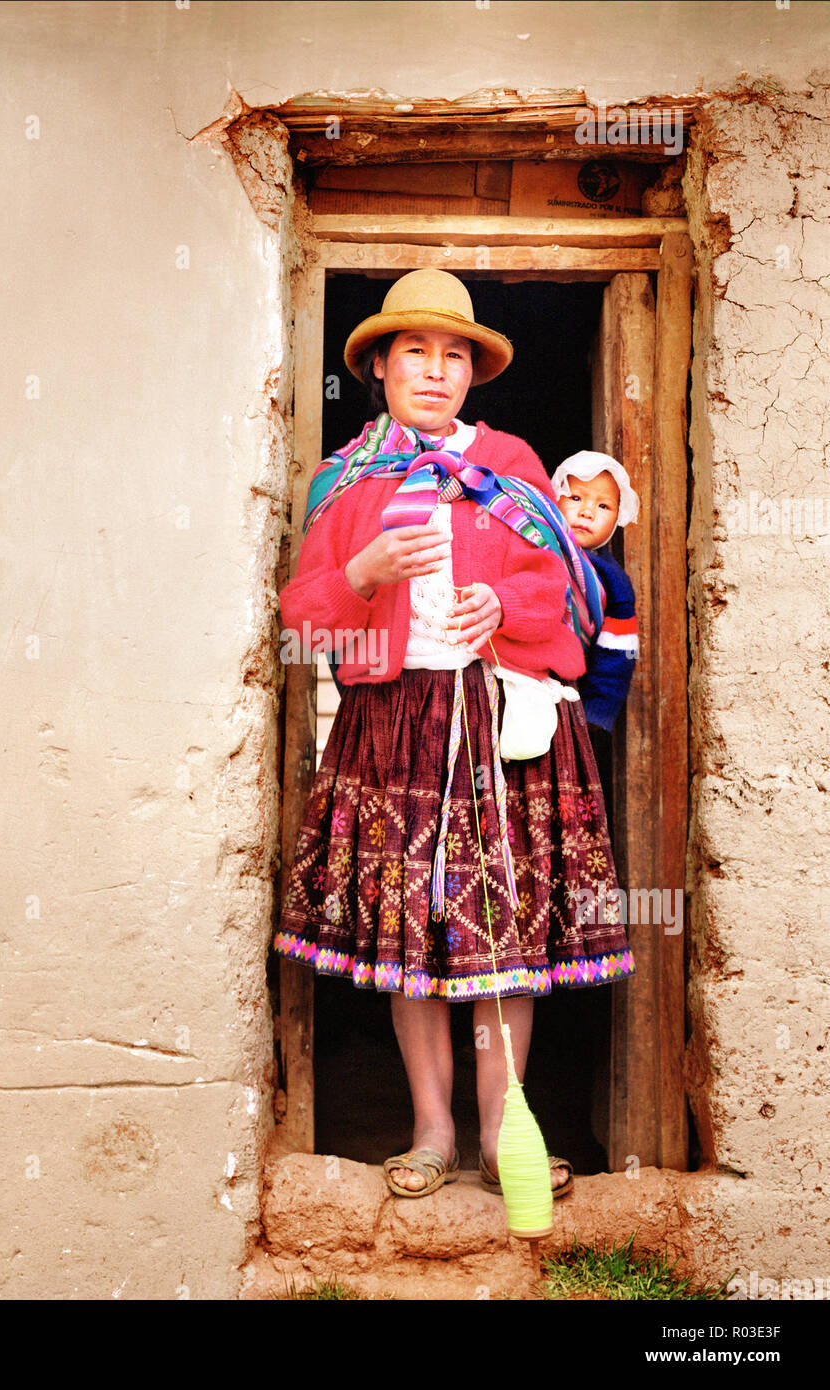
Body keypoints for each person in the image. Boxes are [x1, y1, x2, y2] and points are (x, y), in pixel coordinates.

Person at [274, 270, 635, 1199]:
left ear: (471, 373)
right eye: (415, 354)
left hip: (498, 721)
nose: (435, 372)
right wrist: (361, 569)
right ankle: (431, 1131)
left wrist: (498, 605)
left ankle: (504, 1129)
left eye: (453, 357)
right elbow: (304, 625)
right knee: (411, 935)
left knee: (501, 931)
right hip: (394, 723)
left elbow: (564, 599)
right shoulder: (344, 480)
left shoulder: (511, 464)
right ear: (380, 369)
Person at [552, 453, 640, 820]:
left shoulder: (612, 580)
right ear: (552, 499)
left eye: (603, 505)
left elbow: (617, 656)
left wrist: (597, 714)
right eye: (576, 498)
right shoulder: (534, 553)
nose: (587, 511)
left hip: (573, 698)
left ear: (617, 519)